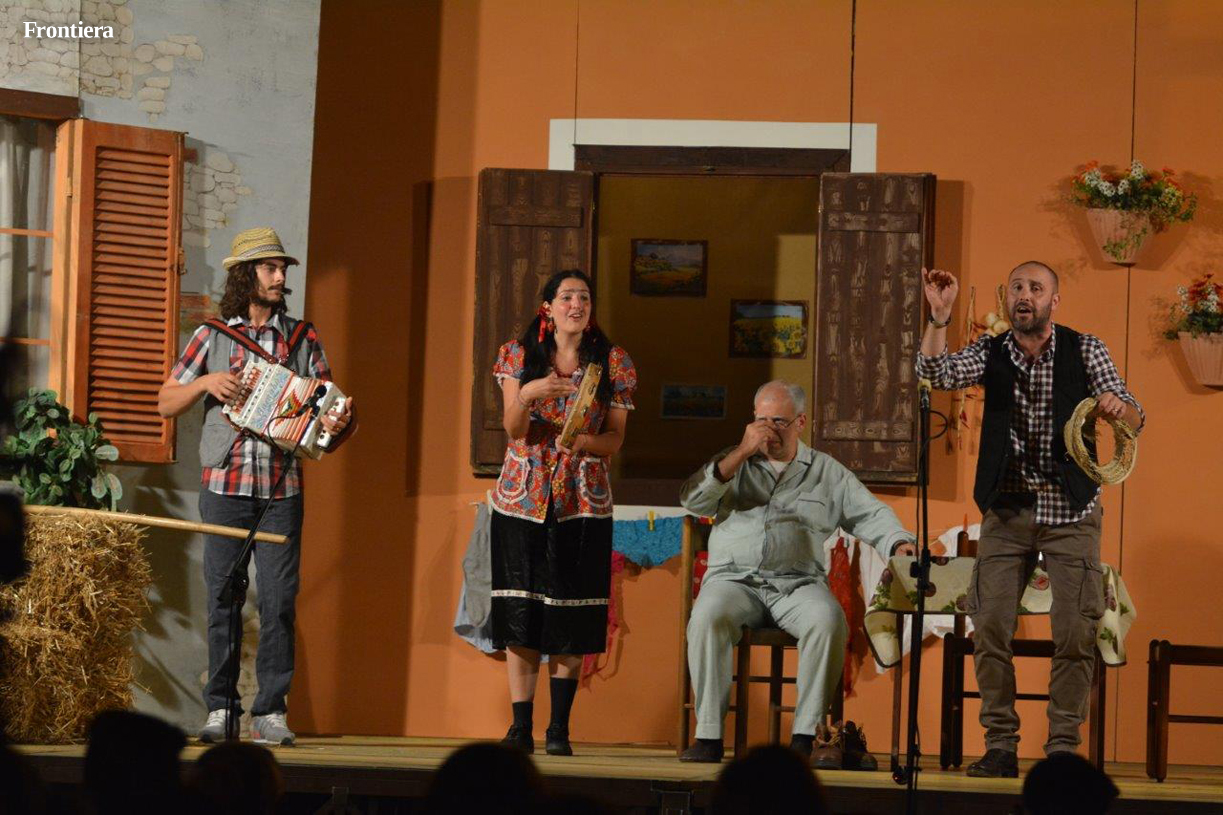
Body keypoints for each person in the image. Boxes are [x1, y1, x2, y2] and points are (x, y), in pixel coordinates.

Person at [916, 262, 1143, 778]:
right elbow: (934, 373)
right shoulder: (992, 350)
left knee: (1075, 632)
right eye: (1017, 287)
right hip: (1007, 509)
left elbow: (1135, 414)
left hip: (1071, 511)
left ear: (1053, 301)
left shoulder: (1085, 349)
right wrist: (939, 317)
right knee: (990, 626)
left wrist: (1117, 408)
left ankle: (1062, 749)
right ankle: (1001, 745)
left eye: (1036, 289)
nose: (1024, 296)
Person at [157, 227, 355, 747]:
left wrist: (335, 420)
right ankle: (221, 708)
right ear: (246, 275)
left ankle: (270, 712)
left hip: (281, 490)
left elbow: (327, 411)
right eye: (270, 268)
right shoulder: (212, 336)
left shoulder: (302, 338)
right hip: (224, 485)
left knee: (279, 601)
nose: (280, 276)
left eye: (282, 268)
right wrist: (205, 383)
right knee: (223, 598)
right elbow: (166, 401)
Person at [678, 380, 916, 763]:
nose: (768, 430)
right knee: (706, 616)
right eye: (761, 420)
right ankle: (708, 737)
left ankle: (806, 736)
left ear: (800, 422)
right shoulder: (733, 462)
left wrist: (898, 543)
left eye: (779, 421)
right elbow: (693, 501)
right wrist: (741, 452)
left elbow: (871, 514)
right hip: (734, 580)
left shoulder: (826, 472)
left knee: (828, 618)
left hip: (797, 584)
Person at [489, 269, 636, 757]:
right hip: (523, 498)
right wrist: (529, 394)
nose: (577, 304)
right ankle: (520, 726)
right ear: (547, 307)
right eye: (568, 296)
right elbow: (514, 429)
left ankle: (558, 729)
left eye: (585, 297)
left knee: (571, 612)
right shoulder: (518, 355)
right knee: (522, 610)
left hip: (582, 501)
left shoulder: (612, 361)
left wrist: (584, 441)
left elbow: (615, 439)